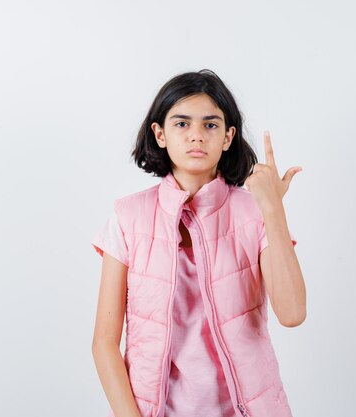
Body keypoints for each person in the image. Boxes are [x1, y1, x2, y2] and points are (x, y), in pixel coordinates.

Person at [91, 69, 306, 417]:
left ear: (227, 137)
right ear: (159, 133)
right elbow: (103, 343)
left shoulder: (253, 213)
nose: (196, 136)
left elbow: (293, 313)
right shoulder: (128, 217)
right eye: (181, 123)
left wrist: (272, 209)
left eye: (210, 124)